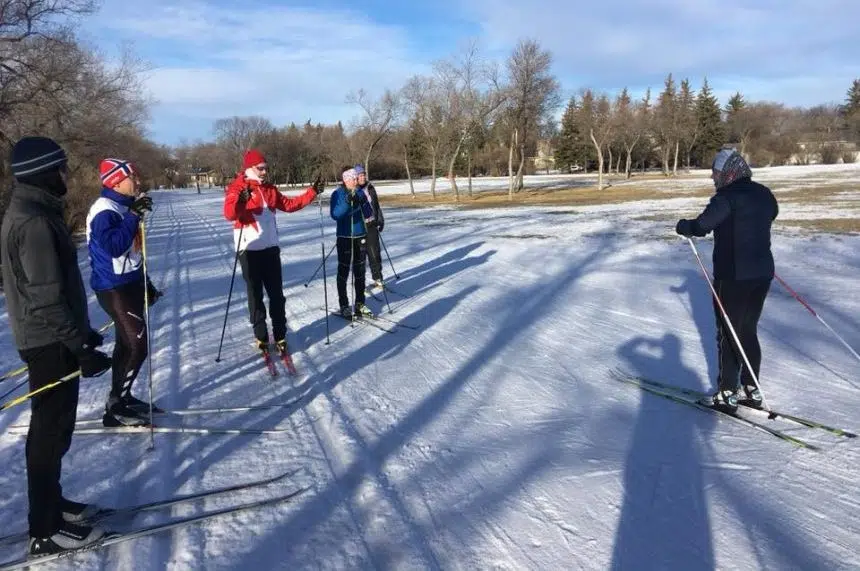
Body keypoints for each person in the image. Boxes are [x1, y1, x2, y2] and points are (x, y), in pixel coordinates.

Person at [1, 136, 112, 555]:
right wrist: (78, 345)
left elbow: (50, 292)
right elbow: (45, 298)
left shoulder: (37, 212)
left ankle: (54, 505)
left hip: (53, 337)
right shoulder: (33, 222)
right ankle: (44, 529)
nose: (67, 175)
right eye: (62, 168)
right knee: (48, 433)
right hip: (47, 342)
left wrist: (84, 332)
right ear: (44, 171)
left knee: (59, 428)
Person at [675, 147, 778, 413]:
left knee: (728, 333)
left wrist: (683, 225)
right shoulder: (764, 193)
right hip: (762, 274)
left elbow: (701, 226)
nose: (713, 178)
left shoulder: (726, 198)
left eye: (716, 173)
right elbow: (771, 214)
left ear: (729, 172)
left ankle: (727, 393)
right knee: (747, 330)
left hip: (733, 276)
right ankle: (751, 389)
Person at [86, 158, 163, 427]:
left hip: (130, 283)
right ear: (116, 181)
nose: (138, 181)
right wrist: (133, 216)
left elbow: (133, 253)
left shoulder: (123, 205)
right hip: (113, 287)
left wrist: (147, 285)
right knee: (137, 344)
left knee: (126, 344)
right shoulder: (104, 209)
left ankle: (121, 398)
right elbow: (114, 247)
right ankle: (116, 403)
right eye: (133, 177)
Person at [223, 149, 324, 354]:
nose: (264, 171)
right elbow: (229, 214)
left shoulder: (269, 189)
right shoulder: (237, 187)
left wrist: (312, 191)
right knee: (255, 295)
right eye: (260, 168)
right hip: (249, 250)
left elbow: (289, 204)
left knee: (277, 295)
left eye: (265, 168)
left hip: (271, 249)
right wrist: (241, 199)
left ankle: (280, 334)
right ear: (250, 168)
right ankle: (261, 336)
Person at [330, 167, 375, 318]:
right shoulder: (338, 194)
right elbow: (335, 215)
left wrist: (362, 200)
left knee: (360, 271)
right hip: (344, 237)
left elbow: (369, 214)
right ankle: (344, 305)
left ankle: (360, 303)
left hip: (360, 235)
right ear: (346, 180)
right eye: (354, 178)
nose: (357, 181)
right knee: (343, 271)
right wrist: (348, 202)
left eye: (357, 178)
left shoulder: (360, 192)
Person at [354, 164, 386, 289]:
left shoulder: (371, 188)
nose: (362, 177)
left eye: (363, 175)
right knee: (360, 256)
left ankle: (378, 278)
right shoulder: (353, 190)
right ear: (355, 177)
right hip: (359, 227)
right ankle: (359, 281)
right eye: (360, 175)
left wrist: (380, 219)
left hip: (371, 224)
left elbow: (376, 206)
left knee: (375, 253)